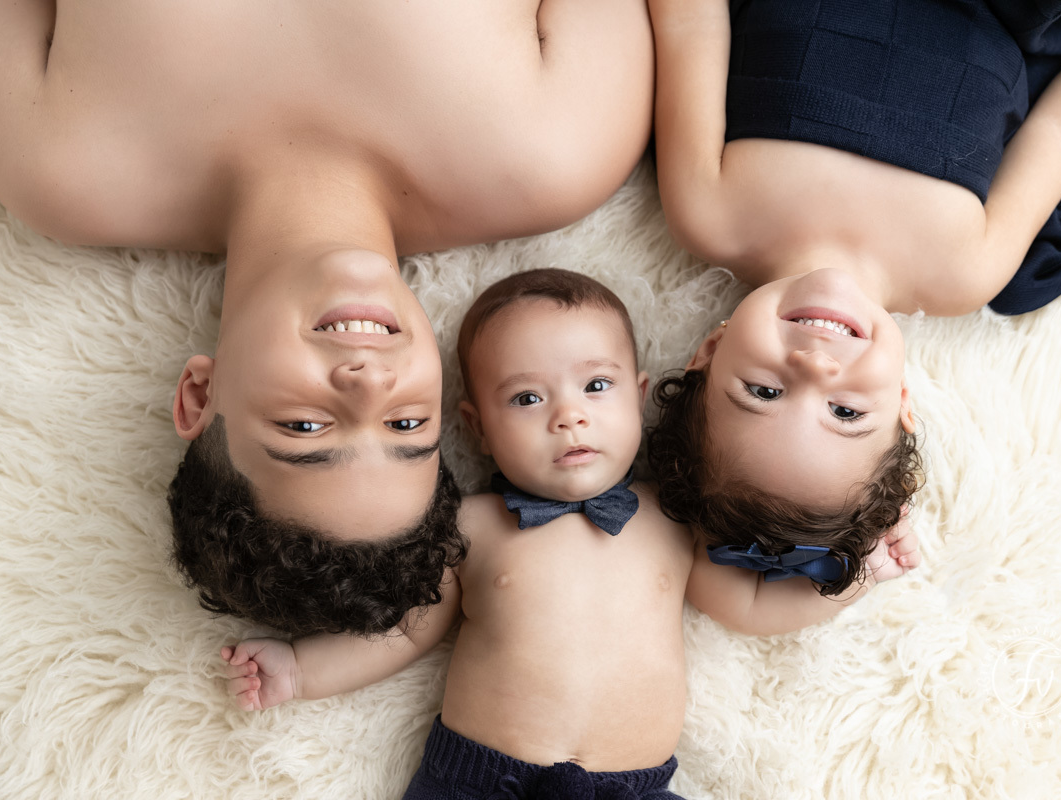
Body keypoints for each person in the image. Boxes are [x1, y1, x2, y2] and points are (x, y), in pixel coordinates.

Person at [0, 0, 656, 636]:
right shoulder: (560, 151)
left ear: (200, 396)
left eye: (304, 426)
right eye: (406, 424)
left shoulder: (50, 165)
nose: (368, 382)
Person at [220, 269, 921, 799]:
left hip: (631, 787)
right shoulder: (471, 525)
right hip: (481, 780)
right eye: (527, 397)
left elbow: (751, 604)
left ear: (640, 396)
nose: (568, 416)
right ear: (477, 428)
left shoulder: (673, 519)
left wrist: (856, 576)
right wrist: (302, 670)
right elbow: (407, 631)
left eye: (596, 386)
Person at [645, 0, 1061, 566]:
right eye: (845, 412)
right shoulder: (963, 273)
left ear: (710, 351)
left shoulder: (709, 213)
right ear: (900, 403)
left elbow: (691, 23)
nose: (814, 366)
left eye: (763, 392)